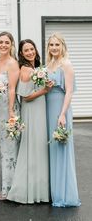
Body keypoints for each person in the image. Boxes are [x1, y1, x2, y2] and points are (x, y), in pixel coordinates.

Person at [7, 39, 52, 204]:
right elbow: (25, 97)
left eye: (32, 49)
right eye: (26, 50)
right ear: (21, 54)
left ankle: (39, 188)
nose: (30, 52)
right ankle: (27, 189)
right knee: (32, 147)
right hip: (32, 111)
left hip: (40, 109)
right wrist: (44, 90)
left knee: (39, 147)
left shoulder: (36, 67)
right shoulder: (25, 69)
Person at [46, 33, 81, 207]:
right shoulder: (49, 64)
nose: (53, 48)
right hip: (48, 107)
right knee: (52, 148)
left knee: (61, 148)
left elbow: (69, 91)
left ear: (62, 46)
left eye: (57, 45)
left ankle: (64, 194)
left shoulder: (66, 65)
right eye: (51, 45)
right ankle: (54, 191)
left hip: (60, 108)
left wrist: (62, 114)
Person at [0, 32, 20, 199]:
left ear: (11, 45)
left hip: (7, 108)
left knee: (8, 148)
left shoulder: (12, 63)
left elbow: (11, 89)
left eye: (6, 42)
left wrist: (11, 111)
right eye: (1, 42)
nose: (3, 45)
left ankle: (8, 188)